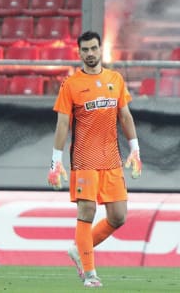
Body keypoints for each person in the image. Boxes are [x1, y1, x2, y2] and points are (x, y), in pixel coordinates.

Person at [48, 31, 142, 288]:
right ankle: (90, 274)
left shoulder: (115, 79)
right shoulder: (71, 85)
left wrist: (135, 148)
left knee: (118, 216)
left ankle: (79, 249)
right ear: (79, 53)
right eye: (85, 49)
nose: (90, 53)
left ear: (101, 50)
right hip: (84, 158)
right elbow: (63, 123)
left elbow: (125, 116)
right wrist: (55, 161)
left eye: (94, 48)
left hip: (111, 158)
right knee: (86, 211)